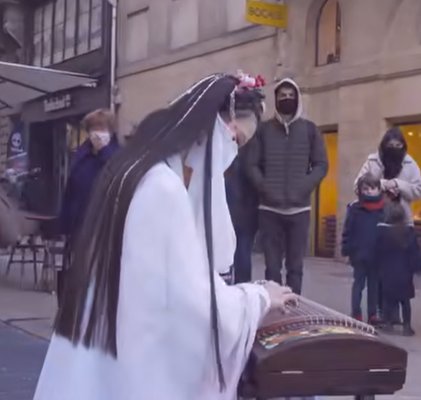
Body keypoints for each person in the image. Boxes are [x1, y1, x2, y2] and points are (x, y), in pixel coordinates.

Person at [33, 73, 298, 400]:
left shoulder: (137, 169)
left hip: (102, 354)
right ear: (223, 129)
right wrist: (259, 299)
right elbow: (194, 305)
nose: (233, 153)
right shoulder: (163, 187)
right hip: (134, 363)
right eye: (237, 141)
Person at [246, 78, 328, 295]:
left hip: (299, 211)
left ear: (297, 98)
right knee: (272, 269)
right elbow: (251, 164)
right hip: (269, 211)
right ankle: (273, 311)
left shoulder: (310, 130)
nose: (286, 99)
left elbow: (321, 165)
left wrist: (304, 187)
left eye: (290, 95)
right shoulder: (263, 130)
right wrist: (265, 188)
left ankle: (293, 311)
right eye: (282, 96)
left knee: (296, 268)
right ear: (276, 99)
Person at [354, 127, 421, 322]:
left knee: (399, 272)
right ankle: (380, 312)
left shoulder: (410, 164)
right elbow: (357, 185)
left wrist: (399, 186)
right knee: (378, 271)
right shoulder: (372, 161)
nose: (393, 148)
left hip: (402, 225)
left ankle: (397, 315)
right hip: (376, 223)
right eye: (390, 145)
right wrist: (382, 185)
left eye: (398, 145)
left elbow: (419, 190)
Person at [57, 109, 120, 307]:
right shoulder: (81, 156)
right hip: (80, 224)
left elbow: (115, 177)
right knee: (80, 271)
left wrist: (103, 152)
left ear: (109, 130)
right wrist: (64, 225)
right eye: (93, 128)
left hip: (104, 225)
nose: (96, 132)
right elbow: (71, 190)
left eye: (101, 127)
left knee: (100, 273)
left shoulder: (117, 155)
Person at [375, 202, 421, 336]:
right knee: (405, 301)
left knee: (388, 300)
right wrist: (417, 268)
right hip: (405, 272)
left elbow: (377, 251)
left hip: (387, 271)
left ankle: (388, 323)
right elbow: (415, 252)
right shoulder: (409, 232)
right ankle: (407, 326)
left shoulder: (382, 232)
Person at [341, 173, 385, 325]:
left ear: (379, 189)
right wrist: (346, 251)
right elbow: (348, 230)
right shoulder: (355, 208)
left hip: (377, 254)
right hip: (359, 254)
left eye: (373, 188)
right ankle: (356, 312)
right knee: (358, 284)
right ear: (360, 190)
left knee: (374, 286)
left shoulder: (384, 209)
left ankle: (372, 314)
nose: (369, 192)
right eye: (366, 189)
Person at [225, 137, 260, 284]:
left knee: (230, 253)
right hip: (248, 211)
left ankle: (228, 289)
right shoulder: (253, 151)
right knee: (243, 252)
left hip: (231, 210)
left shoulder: (226, 154)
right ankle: (243, 287)